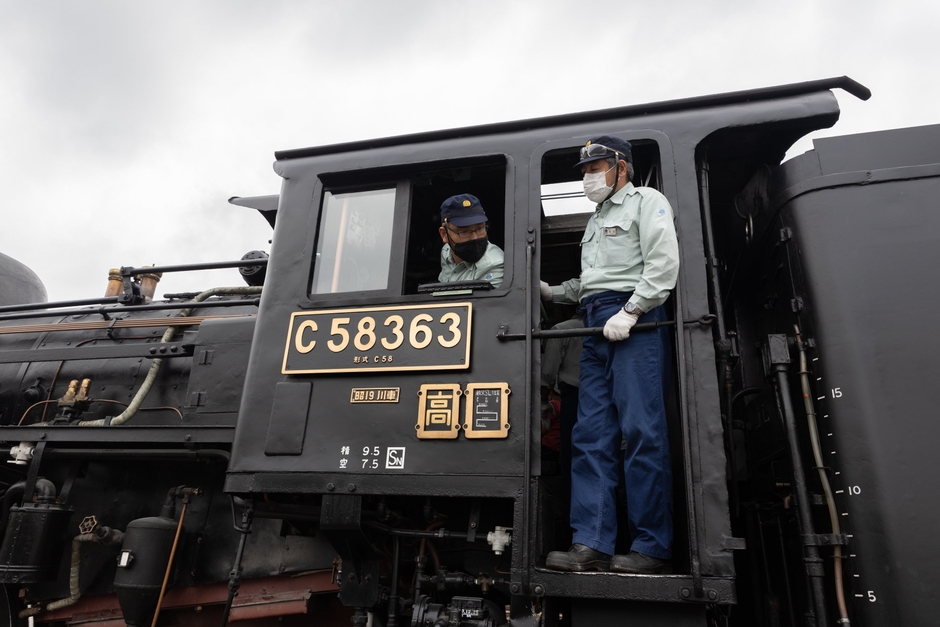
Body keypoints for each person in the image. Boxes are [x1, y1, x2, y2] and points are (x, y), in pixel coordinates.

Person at [541, 136, 679, 574]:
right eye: (583, 170)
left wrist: (633, 309)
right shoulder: (597, 218)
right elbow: (593, 281)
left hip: (633, 323)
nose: (588, 177)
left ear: (622, 166)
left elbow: (663, 264)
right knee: (590, 437)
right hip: (595, 322)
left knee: (641, 433)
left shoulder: (647, 201)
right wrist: (553, 292)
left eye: (595, 167)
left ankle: (651, 547)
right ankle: (592, 541)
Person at [438, 194, 503, 287]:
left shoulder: (494, 265)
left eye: (480, 228)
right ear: (444, 234)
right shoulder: (446, 251)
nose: (475, 237)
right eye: (464, 231)